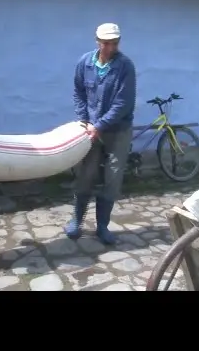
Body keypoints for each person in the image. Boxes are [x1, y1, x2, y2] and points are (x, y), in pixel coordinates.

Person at [64, 23, 136, 245]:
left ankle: (102, 226)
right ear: (97, 41)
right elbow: (78, 92)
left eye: (114, 43)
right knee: (87, 173)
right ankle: (77, 220)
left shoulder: (125, 66)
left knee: (112, 177)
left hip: (118, 130)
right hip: (91, 129)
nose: (110, 48)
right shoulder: (84, 62)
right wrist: (84, 119)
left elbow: (123, 103)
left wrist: (100, 125)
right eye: (106, 43)